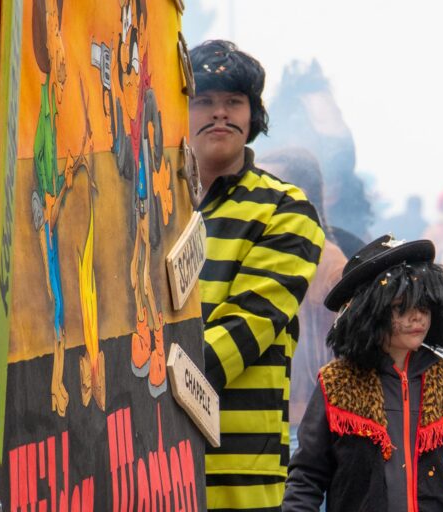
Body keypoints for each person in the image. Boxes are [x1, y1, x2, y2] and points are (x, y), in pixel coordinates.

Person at [190, 40, 326, 510]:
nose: (219, 113)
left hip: (238, 472)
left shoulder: (285, 210)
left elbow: (245, 328)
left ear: (253, 117)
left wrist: (140, 387)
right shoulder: (146, 204)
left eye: (234, 101)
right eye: (204, 100)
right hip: (142, 465)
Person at [284, 235, 443, 511]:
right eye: (401, 308)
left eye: (424, 306)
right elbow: (306, 478)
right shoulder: (338, 382)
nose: (417, 317)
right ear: (370, 313)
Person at [258, 147, 349, 427]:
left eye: (270, 189)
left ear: (301, 196)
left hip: (306, 423)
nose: (256, 198)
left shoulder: (330, 266)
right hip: (257, 418)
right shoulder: (256, 252)